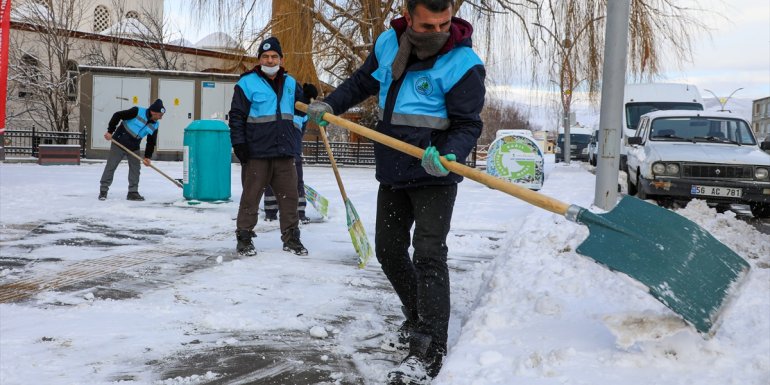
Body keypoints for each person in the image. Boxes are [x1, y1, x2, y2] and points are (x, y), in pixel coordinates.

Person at [307, 1, 485, 383]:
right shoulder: (389, 43)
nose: (437, 31)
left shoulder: (463, 64)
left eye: (444, 23)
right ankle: (419, 315)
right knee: (388, 250)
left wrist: (451, 153)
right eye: (427, 25)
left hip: (434, 173)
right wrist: (329, 104)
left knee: (428, 256)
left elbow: (469, 124)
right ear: (408, 15)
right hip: (393, 169)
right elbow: (361, 83)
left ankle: (430, 347)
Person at [230, 36, 313, 257]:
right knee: (251, 196)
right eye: (265, 56)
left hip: (285, 152)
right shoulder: (246, 83)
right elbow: (237, 116)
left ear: (281, 58)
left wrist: (309, 100)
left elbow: (299, 115)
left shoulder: (291, 83)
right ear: (259, 60)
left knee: (290, 198)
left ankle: (291, 238)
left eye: (274, 56)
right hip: (257, 152)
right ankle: (244, 238)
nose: (269, 60)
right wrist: (239, 144)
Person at [264, 84, 319, 224]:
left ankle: (299, 212)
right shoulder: (279, 108)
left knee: (297, 181)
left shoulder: (302, 112)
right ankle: (271, 212)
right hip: (275, 149)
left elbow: (302, 129)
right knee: (273, 179)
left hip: (293, 150)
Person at [99, 99, 165, 201]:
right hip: (119, 142)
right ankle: (103, 191)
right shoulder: (137, 111)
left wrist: (147, 157)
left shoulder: (155, 125)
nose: (161, 117)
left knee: (135, 169)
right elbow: (117, 115)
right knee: (111, 166)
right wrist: (110, 131)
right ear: (153, 112)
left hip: (134, 146)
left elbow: (151, 142)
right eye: (160, 115)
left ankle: (133, 192)